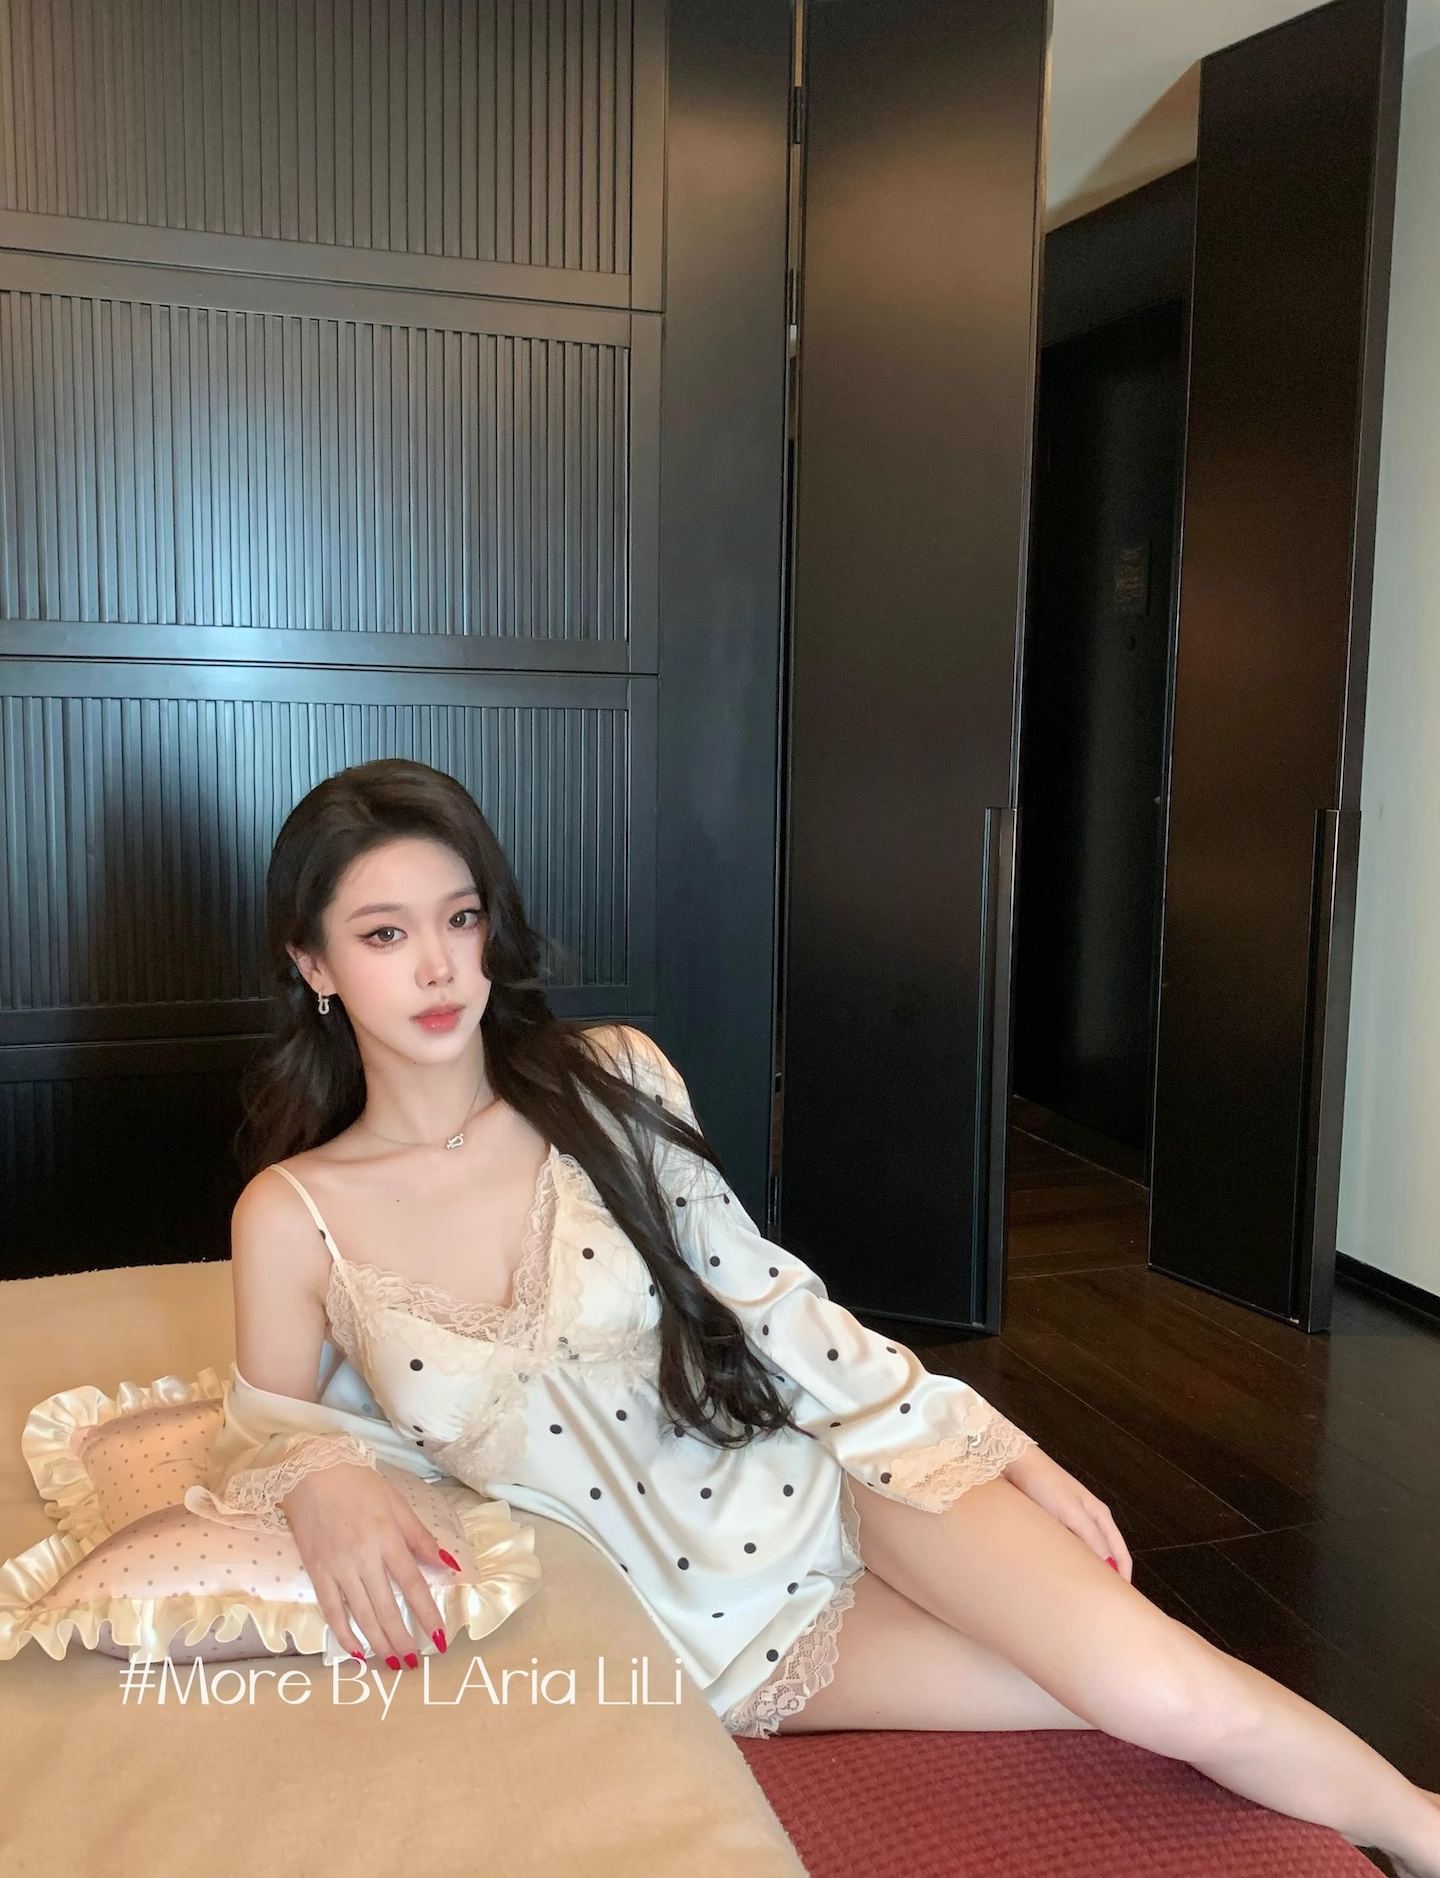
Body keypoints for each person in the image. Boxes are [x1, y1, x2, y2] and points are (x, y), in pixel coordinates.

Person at [199, 757, 1440, 1875]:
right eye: (383, 933)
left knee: (1167, 1690)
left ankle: (1421, 1830)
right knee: (1102, 1695)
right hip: (716, 1635)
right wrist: (320, 1475)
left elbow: (774, 1301)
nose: (437, 968)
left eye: (461, 918)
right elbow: (264, 1432)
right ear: (313, 965)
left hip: (838, 1479)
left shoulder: (612, 1076)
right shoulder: (294, 1215)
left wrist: (995, 1442)